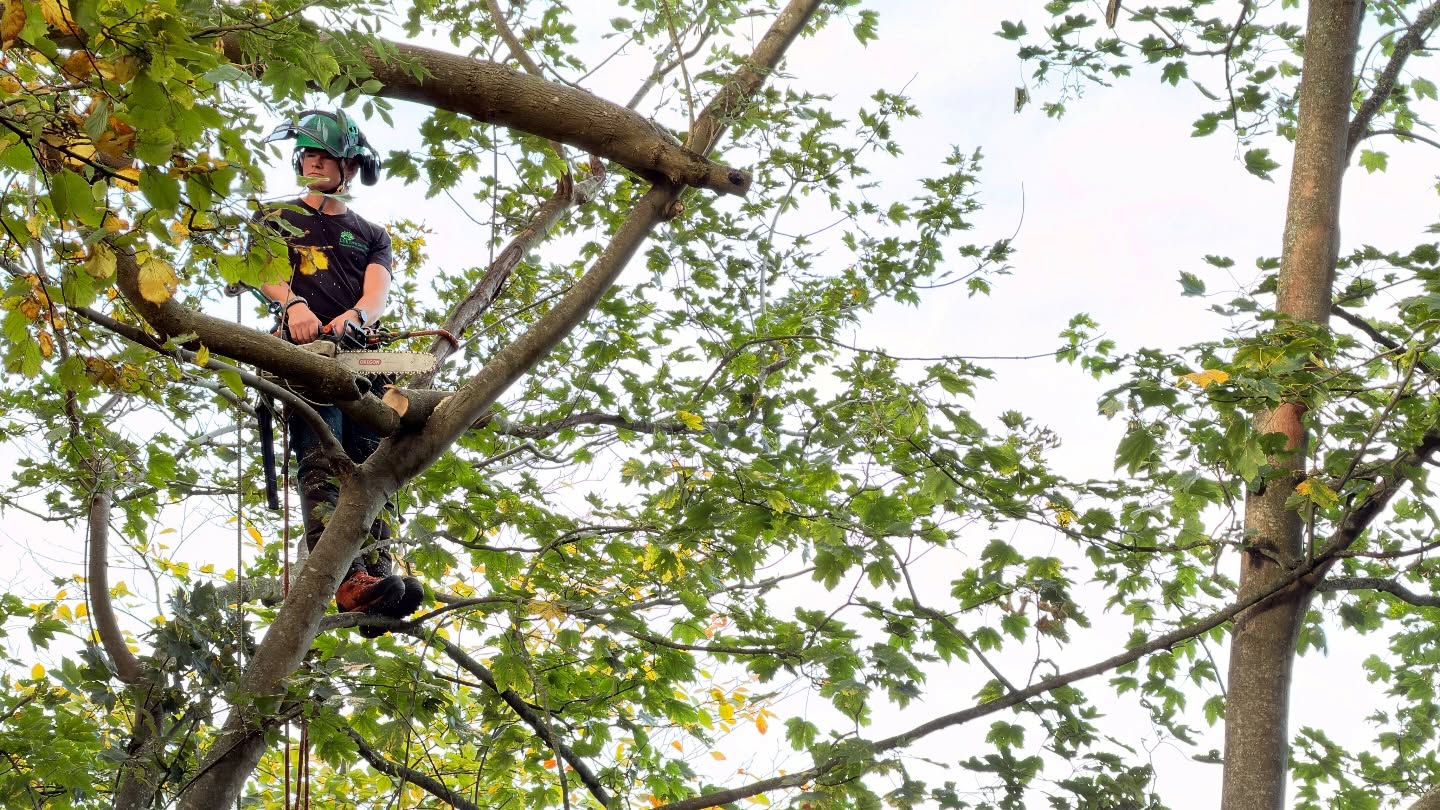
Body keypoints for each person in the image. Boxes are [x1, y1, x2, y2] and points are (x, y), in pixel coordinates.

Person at [256, 109, 423, 633]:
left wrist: (353, 319)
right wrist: (294, 305)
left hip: (360, 361)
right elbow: (265, 272)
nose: (314, 162)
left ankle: (380, 576)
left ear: (348, 167)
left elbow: (376, 294)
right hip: (303, 358)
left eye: (324, 156)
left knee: (375, 467)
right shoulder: (274, 218)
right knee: (324, 463)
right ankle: (347, 579)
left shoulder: (371, 233)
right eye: (307, 154)